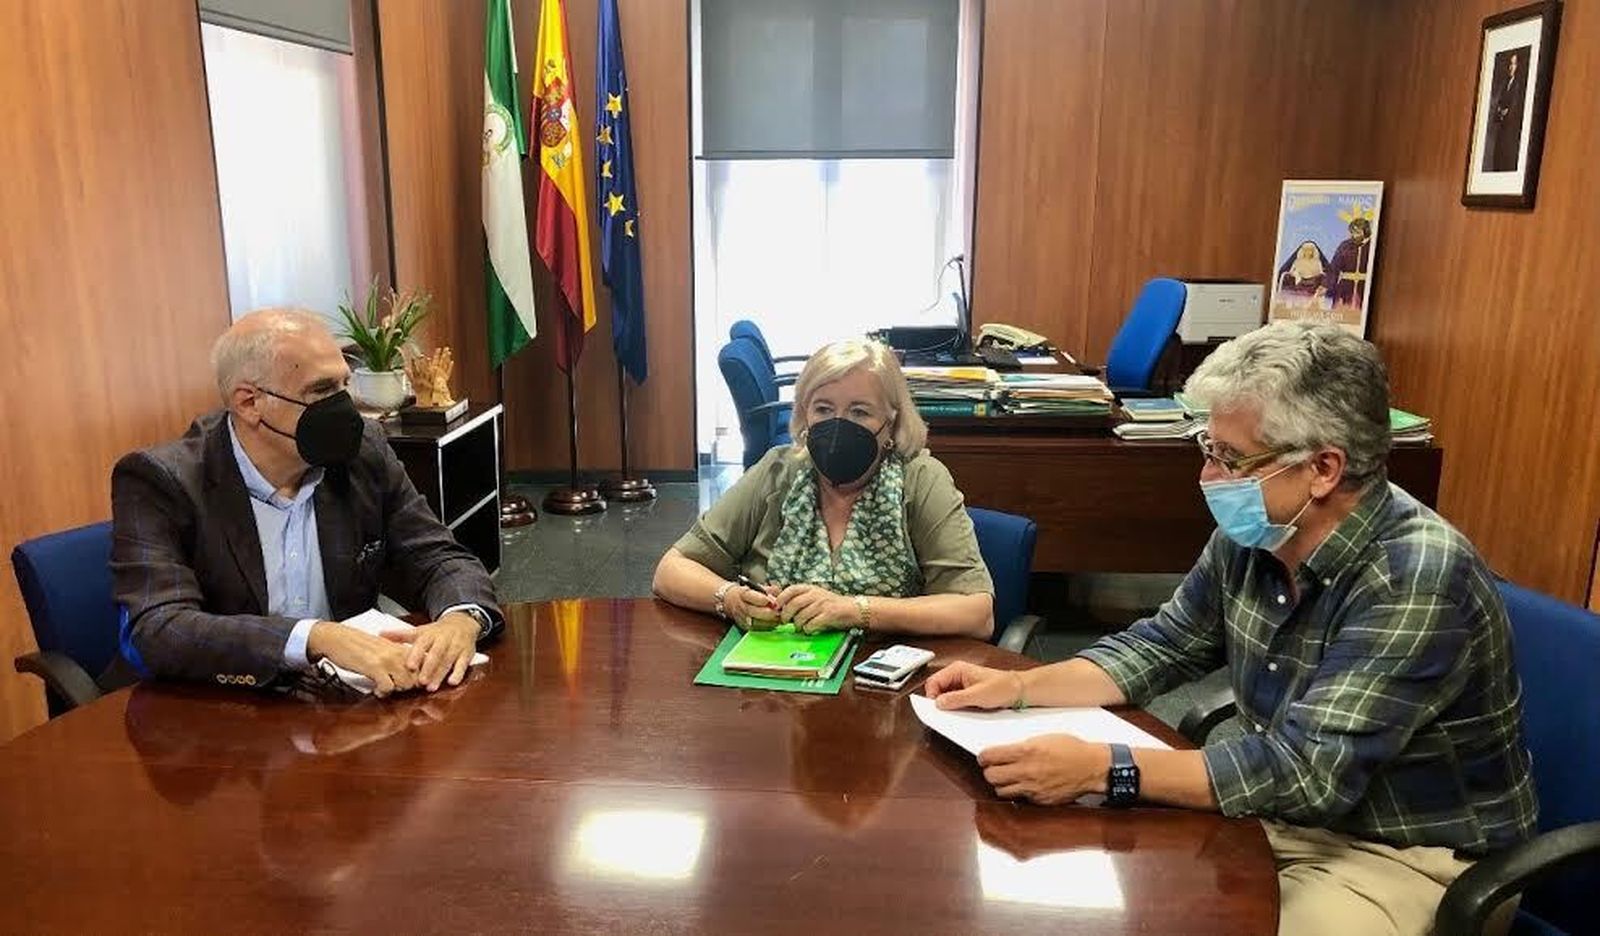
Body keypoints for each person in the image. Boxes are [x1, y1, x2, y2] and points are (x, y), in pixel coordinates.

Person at [926, 321, 1536, 936]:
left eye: (1230, 458)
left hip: (1401, 855)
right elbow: (1163, 645)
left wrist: (1101, 768)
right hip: (1271, 810)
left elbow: (1309, 773)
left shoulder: (1417, 576)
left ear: (1323, 468)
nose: (1207, 478)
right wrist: (1019, 687)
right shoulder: (1257, 533)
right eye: (1207, 447)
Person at [111, 308, 502, 697]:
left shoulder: (363, 452)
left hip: (345, 706)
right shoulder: (160, 480)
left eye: (344, 386)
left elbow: (438, 556)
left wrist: (461, 619)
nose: (345, 408)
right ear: (249, 404)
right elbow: (160, 629)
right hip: (221, 710)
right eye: (322, 391)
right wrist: (314, 637)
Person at [653, 338, 994, 638]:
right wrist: (729, 598)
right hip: (772, 689)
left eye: (859, 412)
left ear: (891, 424)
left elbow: (976, 613)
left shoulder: (920, 479)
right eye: (823, 409)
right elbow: (671, 570)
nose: (838, 425)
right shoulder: (778, 471)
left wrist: (856, 611)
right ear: (804, 416)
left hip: (883, 685)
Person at [1317, 216, 1374, 310]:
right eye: (1352, 232)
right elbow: (1334, 267)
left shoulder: (1372, 245)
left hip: (1364, 287)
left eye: (1357, 232)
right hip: (1345, 287)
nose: (1354, 235)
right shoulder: (1345, 245)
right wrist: (1325, 285)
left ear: (1366, 232)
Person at [1484, 50, 1527, 173]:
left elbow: (1514, 106)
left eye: (1513, 64)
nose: (1511, 67)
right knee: (1498, 156)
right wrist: (1499, 111)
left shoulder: (1518, 85)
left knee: (1506, 157)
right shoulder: (1505, 84)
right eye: (1509, 64)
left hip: (1510, 129)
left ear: (1518, 66)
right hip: (1502, 128)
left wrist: (1506, 113)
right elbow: (1499, 104)